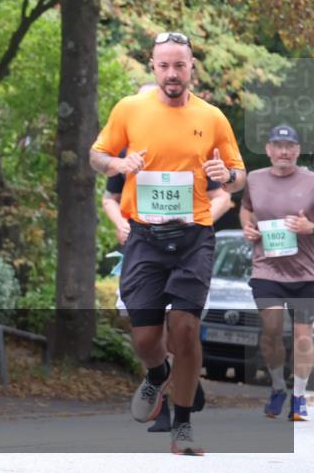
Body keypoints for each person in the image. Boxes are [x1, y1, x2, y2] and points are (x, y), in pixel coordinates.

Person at [90, 31, 246, 455]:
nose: (172, 73)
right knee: (144, 338)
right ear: (153, 66)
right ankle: (157, 374)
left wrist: (226, 175)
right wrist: (118, 162)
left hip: (194, 236)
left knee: (186, 327)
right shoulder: (129, 109)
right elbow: (97, 154)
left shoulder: (212, 117)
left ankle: (182, 426)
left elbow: (238, 173)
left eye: (180, 65)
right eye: (164, 65)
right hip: (144, 236)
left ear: (192, 66)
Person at [240, 124, 314, 422]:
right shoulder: (254, 180)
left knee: (302, 337)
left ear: (297, 150)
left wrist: (310, 227)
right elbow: (246, 209)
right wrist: (247, 226)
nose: (284, 151)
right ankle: (278, 387)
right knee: (271, 331)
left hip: (306, 273)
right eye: (278, 146)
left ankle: (298, 397)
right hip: (266, 269)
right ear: (268, 150)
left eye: (290, 146)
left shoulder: (311, 181)